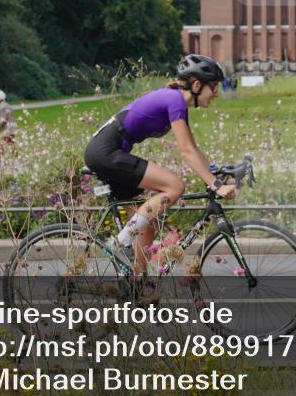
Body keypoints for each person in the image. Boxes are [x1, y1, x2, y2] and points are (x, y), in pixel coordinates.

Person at [84, 54, 238, 276]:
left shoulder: (177, 103)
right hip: (106, 153)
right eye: (213, 86)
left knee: (150, 223)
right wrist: (216, 185)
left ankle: (138, 284)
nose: (216, 92)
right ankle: (118, 243)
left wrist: (215, 174)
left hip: (108, 152)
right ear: (196, 85)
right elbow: (186, 152)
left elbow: (192, 149)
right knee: (174, 187)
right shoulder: (174, 100)